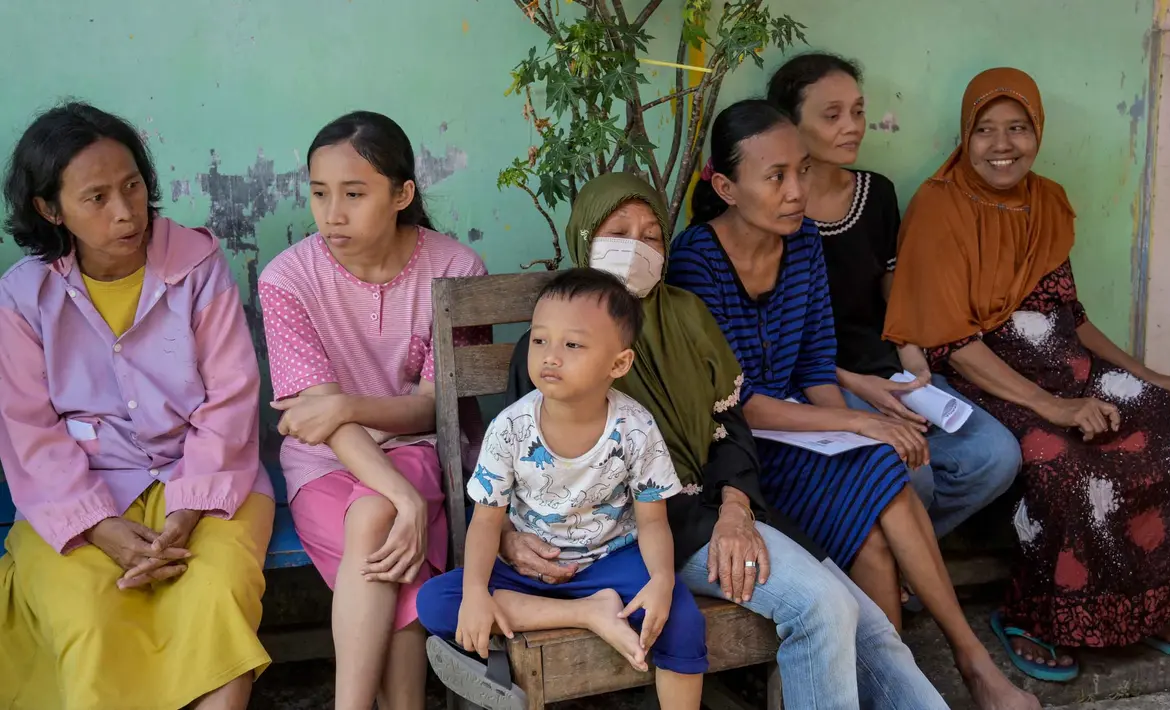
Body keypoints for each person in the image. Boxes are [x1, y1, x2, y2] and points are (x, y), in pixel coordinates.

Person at [491, 172, 946, 709]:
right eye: (618, 232)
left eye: (652, 235)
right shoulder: (549, 350)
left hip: (719, 508)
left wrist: (736, 507)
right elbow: (520, 467)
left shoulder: (685, 314)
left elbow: (728, 423)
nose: (636, 248)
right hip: (644, 531)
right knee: (821, 607)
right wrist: (506, 537)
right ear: (584, 239)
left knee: (871, 627)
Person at [668, 99, 1038, 710]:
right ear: (728, 187)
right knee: (872, 504)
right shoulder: (696, 259)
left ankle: (963, 663)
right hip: (735, 456)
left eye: (802, 171)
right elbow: (735, 405)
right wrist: (856, 419)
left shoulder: (804, 241)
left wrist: (864, 429)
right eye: (776, 176)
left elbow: (814, 367)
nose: (796, 191)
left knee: (880, 474)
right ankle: (935, 674)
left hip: (798, 432)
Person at [884, 67, 1170, 683]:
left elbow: (1073, 318)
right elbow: (955, 346)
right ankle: (1035, 617)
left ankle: (1158, 601)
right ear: (965, 136)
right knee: (1065, 466)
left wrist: (1149, 375)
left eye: (1017, 127)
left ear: (1037, 132)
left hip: (1072, 370)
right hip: (990, 381)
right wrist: (1053, 407)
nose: (1002, 145)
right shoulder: (939, 207)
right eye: (985, 130)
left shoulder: (1045, 200)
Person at [0, 102, 274, 710]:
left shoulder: (198, 265)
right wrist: (95, 525)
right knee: (87, 614)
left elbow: (230, 396)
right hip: (77, 492)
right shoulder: (23, 297)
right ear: (50, 209)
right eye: (95, 198)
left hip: (208, 477)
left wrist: (189, 509)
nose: (126, 211)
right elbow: (30, 431)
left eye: (132, 186)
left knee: (216, 600)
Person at [259, 111, 488, 710]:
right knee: (386, 524)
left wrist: (345, 405)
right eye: (319, 193)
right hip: (324, 465)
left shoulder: (455, 271)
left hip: (419, 449)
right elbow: (320, 426)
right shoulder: (288, 280)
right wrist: (406, 498)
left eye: (354, 194)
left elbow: (431, 412)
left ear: (401, 194)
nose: (332, 213)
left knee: (375, 521)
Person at [418, 268, 708, 709]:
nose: (550, 356)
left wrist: (663, 580)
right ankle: (588, 613)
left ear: (619, 363)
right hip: (529, 571)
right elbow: (485, 523)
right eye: (539, 340)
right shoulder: (510, 428)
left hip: (612, 560)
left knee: (681, 619)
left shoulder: (635, 427)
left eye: (572, 344)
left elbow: (652, 523)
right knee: (438, 601)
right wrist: (477, 591)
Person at [768, 52, 1020, 538]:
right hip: (816, 380)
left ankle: (900, 557)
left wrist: (913, 359)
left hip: (888, 369)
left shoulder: (876, 193)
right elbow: (777, 342)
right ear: (790, 125)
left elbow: (895, 291)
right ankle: (890, 556)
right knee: (911, 471)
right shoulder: (777, 212)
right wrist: (857, 384)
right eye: (832, 114)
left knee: (996, 456)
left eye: (858, 111)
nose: (853, 127)